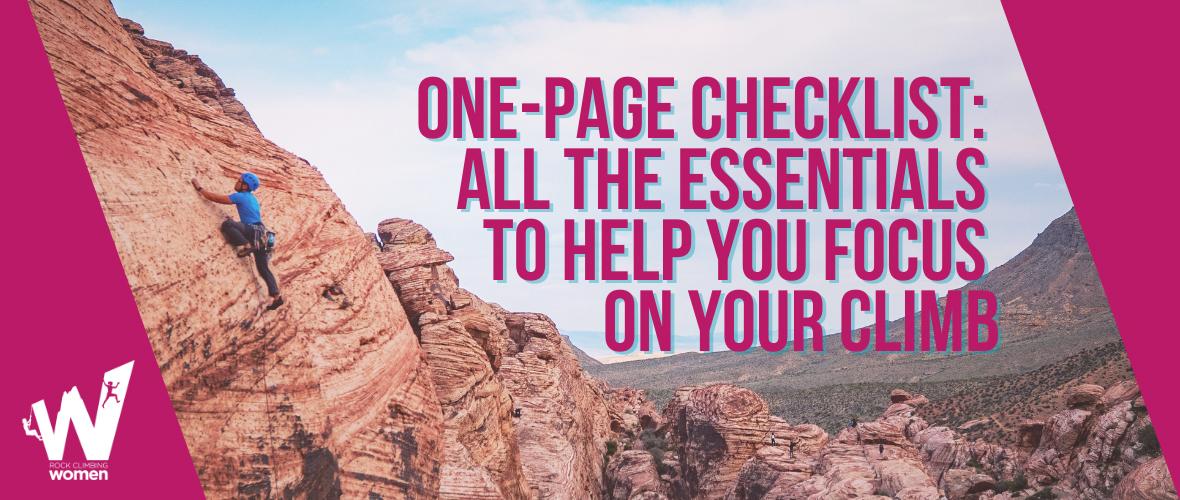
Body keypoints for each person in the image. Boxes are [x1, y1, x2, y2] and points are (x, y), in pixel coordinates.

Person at [191, 173, 283, 310]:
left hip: (252, 232)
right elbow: (250, 217)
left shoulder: (241, 196)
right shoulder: (253, 199)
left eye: (239, 181)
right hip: (263, 235)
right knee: (264, 268)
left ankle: (246, 245)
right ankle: (276, 297)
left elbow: (215, 198)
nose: (237, 182)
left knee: (227, 225)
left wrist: (199, 188)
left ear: (244, 186)